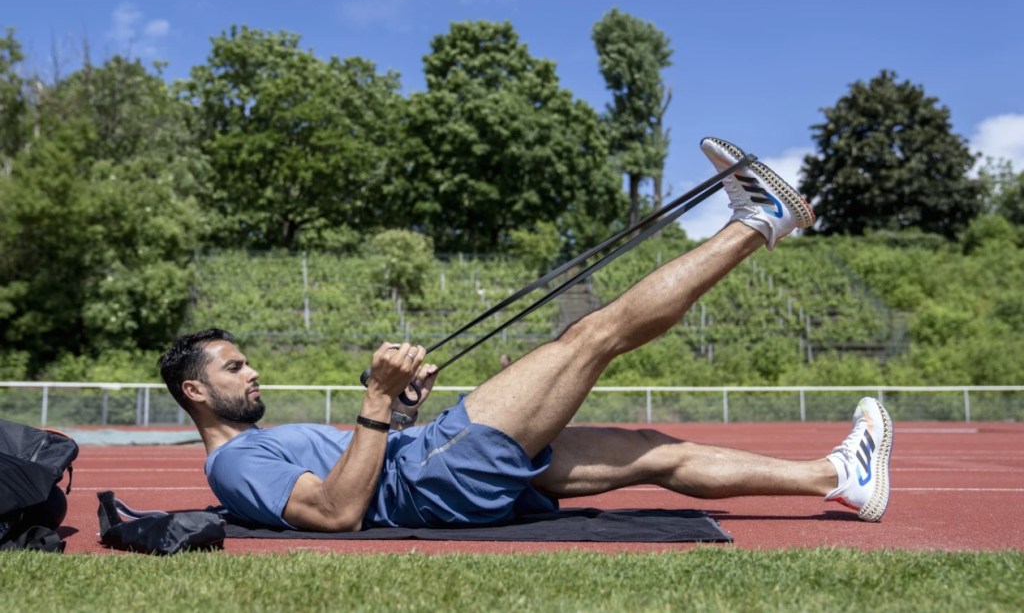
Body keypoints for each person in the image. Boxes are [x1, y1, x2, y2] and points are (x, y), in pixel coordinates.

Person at [158, 137, 893, 532]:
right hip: (438, 475)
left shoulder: (256, 445)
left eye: (245, 360)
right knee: (592, 336)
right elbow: (338, 512)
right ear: (196, 390)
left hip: (429, 460)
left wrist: (402, 407)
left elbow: (361, 474)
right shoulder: (231, 467)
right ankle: (760, 219)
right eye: (234, 367)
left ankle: (837, 479)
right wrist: (377, 401)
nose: (250, 373)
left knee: (650, 453)